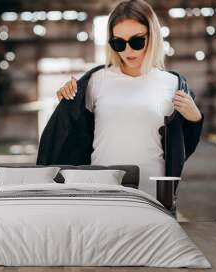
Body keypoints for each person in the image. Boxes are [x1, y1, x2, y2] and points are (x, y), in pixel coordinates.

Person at [37, 0, 204, 198]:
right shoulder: (95, 81)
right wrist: (68, 100)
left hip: (153, 196)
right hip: (101, 194)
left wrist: (195, 120)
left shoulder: (172, 84)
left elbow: (183, 147)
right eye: (118, 43)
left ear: (153, 37)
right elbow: (68, 135)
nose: (127, 51)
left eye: (136, 41)